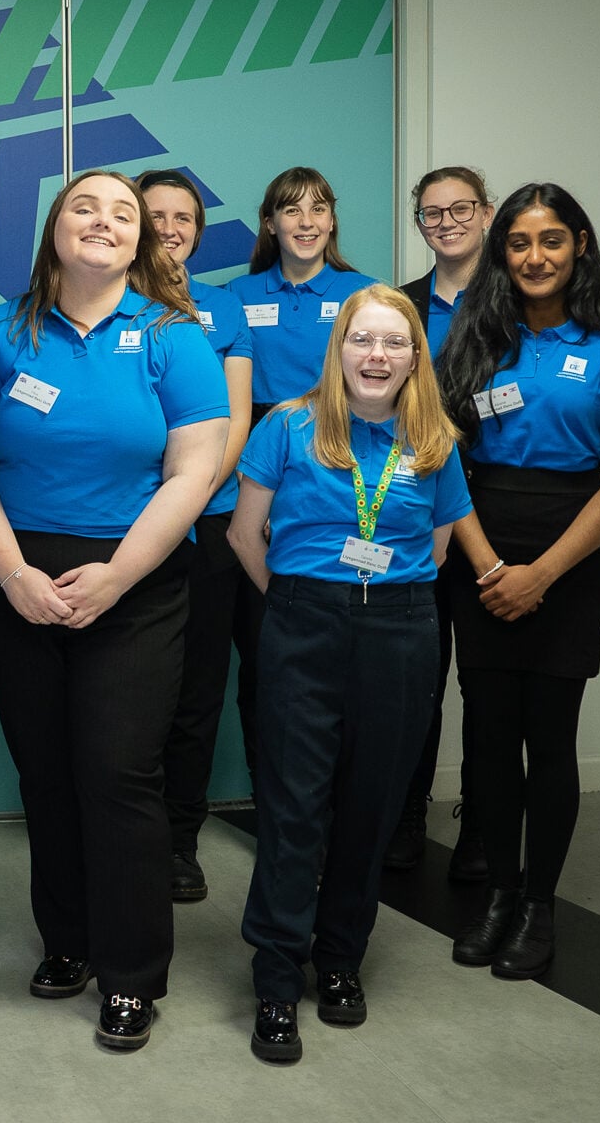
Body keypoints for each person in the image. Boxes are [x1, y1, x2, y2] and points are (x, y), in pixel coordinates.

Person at [0, 169, 228, 1053]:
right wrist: (13, 575)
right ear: (54, 228)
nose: (104, 223)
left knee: (117, 774)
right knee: (46, 771)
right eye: (86, 207)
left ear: (142, 239)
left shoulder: (173, 336)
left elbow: (195, 471)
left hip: (137, 580)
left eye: (124, 213)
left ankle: (132, 972)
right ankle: (66, 943)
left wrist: (114, 575)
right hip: (17, 574)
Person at [228, 285, 471, 1065]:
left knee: (371, 805)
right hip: (303, 622)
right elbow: (243, 534)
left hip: (400, 628)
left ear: (413, 357)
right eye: (362, 340)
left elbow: (437, 549)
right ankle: (275, 977)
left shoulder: (433, 439)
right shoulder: (288, 426)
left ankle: (339, 963)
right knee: (295, 805)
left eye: (393, 343)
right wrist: (304, 603)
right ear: (339, 351)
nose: (376, 355)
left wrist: (373, 604)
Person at [439, 184, 600, 980]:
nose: (535, 257)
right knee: (489, 737)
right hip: (482, 538)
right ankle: (497, 893)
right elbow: (445, 461)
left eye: (552, 241)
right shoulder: (474, 337)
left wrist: (542, 574)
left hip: (571, 550)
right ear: (502, 254)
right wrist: (492, 566)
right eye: (520, 243)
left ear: (580, 247)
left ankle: (538, 906)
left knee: (549, 740)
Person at [224, 167, 376, 782]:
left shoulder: (364, 294)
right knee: (264, 656)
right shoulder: (236, 295)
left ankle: (344, 808)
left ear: (333, 220)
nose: (306, 222)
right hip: (255, 465)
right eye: (291, 210)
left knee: (342, 659)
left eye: (318, 209)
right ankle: (276, 806)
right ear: (271, 223)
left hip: (337, 459)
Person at [138, 169, 253, 904]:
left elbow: (236, 418)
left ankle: (180, 837)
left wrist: (191, 495)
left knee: (197, 688)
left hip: (208, 522)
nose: (170, 228)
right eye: (156, 215)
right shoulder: (110, 305)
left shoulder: (225, 308)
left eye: (184, 218)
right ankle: (128, 829)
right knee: (131, 689)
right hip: (121, 525)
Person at [388, 166, 498, 877]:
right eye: (432, 213)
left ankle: (483, 828)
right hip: (416, 507)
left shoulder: (520, 300)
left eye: (461, 208)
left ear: (488, 214)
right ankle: (403, 816)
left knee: (487, 682)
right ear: (418, 223)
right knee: (413, 678)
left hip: (499, 510)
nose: (447, 221)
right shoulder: (401, 305)